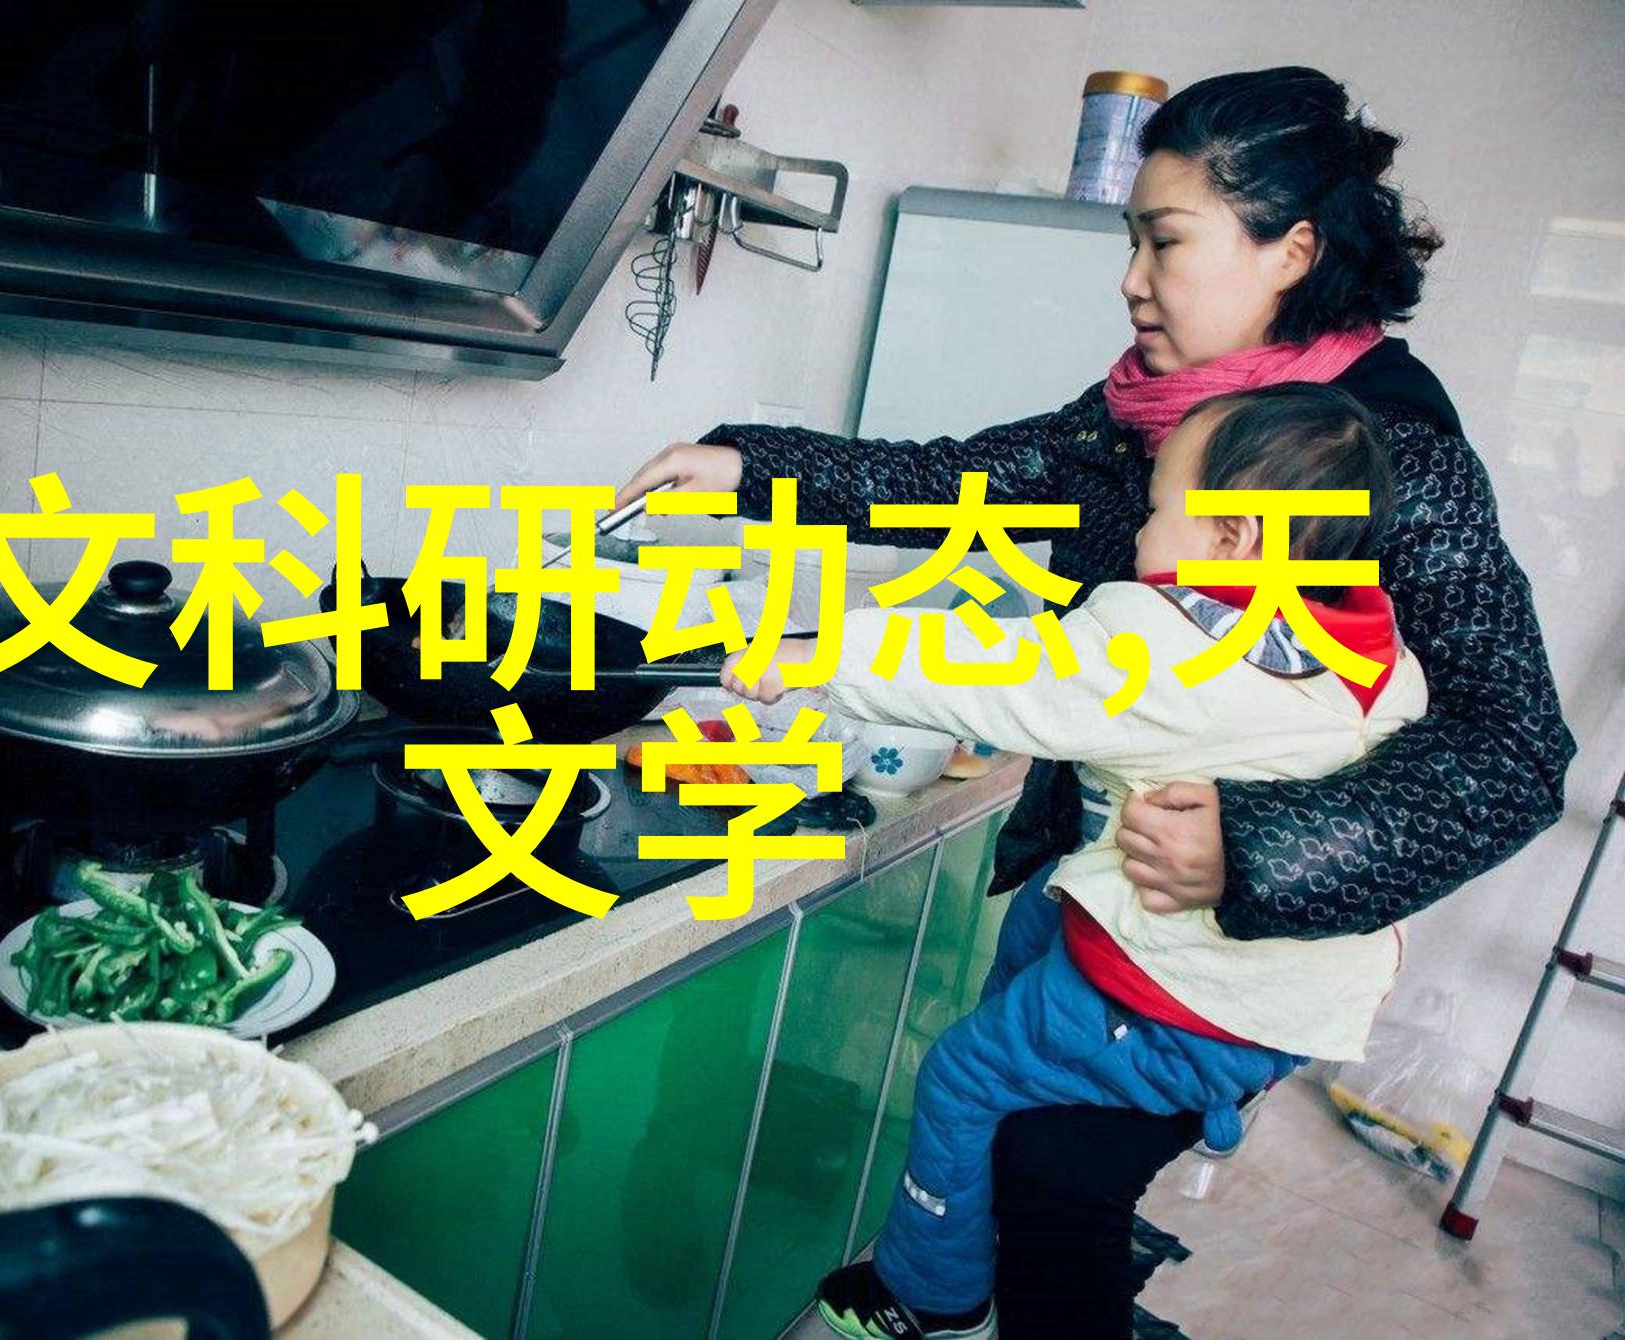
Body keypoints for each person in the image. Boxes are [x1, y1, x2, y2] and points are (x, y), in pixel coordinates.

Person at [616, 66, 1574, 1338]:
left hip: (1235, 947)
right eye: (1131, 238)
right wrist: (748, 464)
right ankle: (964, 1283)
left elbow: (1511, 749)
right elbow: (966, 481)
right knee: (1005, 1118)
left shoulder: (1385, 452)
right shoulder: (1153, 409)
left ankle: (958, 1296)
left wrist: (1251, 846)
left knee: (1047, 1167)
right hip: (1104, 881)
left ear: (1289, 250)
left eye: (1163, 240)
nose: (1129, 278)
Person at [728, 383, 1421, 1337]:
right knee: (1041, 923)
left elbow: (999, 671)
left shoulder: (1170, 643)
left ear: (1234, 539)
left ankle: (934, 1297)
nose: (1139, 529)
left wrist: (818, 654)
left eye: (1158, 508)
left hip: (1190, 1002)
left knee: (963, 1076)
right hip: (1290, 991)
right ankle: (1138, 1124)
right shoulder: (1378, 656)